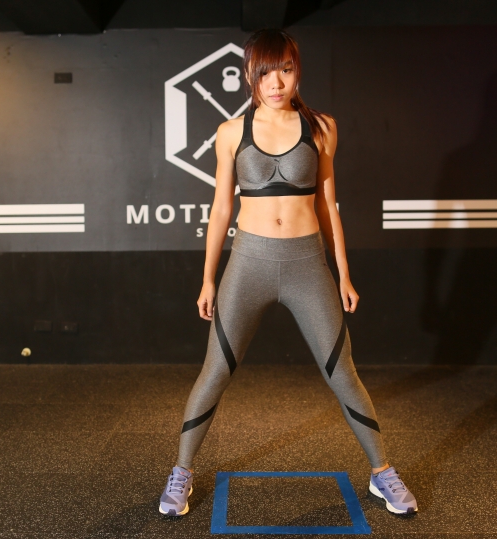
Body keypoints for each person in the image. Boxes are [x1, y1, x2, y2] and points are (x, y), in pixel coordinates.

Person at [158, 29, 417, 517]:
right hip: (248, 263)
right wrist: (208, 278)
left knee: (342, 372)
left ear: (297, 71)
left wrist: (343, 274)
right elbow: (220, 210)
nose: (276, 83)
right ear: (249, 75)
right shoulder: (230, 132)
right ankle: (182, 472)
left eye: (286, 70)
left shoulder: (322, 128)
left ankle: (382, 472)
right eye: (265, 73)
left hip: (306, 264)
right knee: (215, 371)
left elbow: (328, 206)